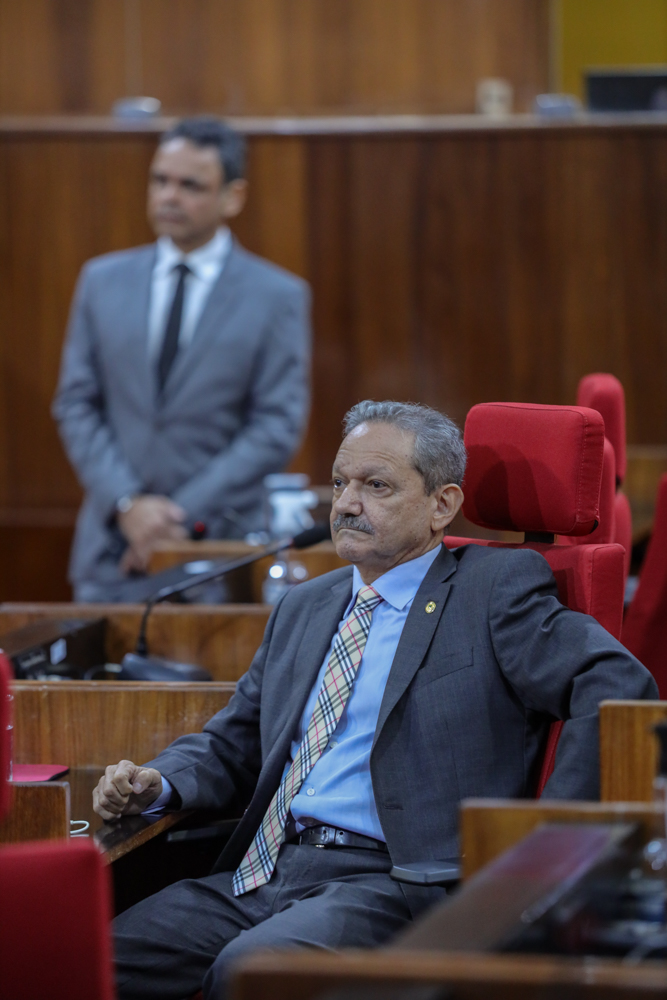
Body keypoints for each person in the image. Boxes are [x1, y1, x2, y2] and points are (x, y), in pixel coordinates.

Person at [93, 400, 657, 999]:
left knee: (249, 973)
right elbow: (234, 742)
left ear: (442, 505)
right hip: (266, 870)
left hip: (389, 881)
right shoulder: (305, 606)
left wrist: (547, 840)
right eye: (340, 483)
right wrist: (159, 782)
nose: (346, 504)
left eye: (375, 486)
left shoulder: (493, 590)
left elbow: (615, 682)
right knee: (86, 955)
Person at [53, 117, 311, 601]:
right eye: (160, 180)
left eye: (190, 185)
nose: (169, 196)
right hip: (111, 550)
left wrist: (173, 516)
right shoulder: (101, 282)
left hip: (214, 552)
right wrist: (128, 504)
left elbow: (275, 425)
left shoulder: (276, 296)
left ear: (232, 197)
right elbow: (76, 403)